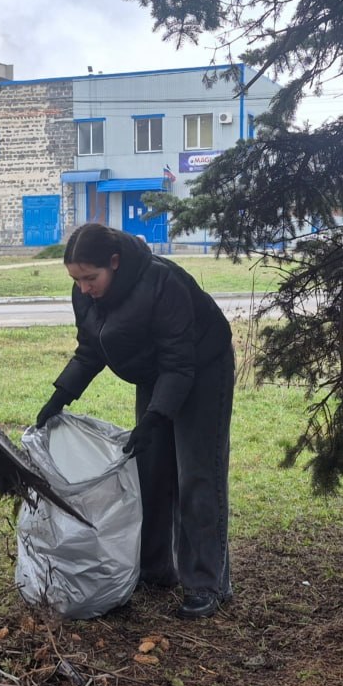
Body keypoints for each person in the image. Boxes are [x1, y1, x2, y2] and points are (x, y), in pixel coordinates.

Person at [34, 223, 235, 619]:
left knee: (196, 473)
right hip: (155, 372)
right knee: (150, 469)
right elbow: (90, 348)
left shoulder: (164, 282)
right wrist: (61, 395)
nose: (83, 288)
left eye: (90, 278)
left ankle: (207, 584)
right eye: (76, 280)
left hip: (202, 368)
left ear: (115, 262)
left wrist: (157, 416)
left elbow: (180, 363)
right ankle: (156, 569)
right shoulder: (86, 294)